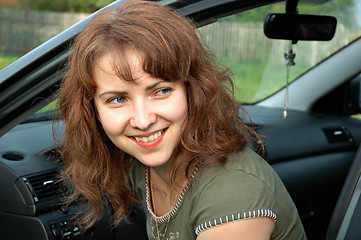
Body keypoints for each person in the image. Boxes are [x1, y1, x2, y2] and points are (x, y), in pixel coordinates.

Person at [57, 1, 307, 239]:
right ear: (92, 109)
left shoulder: (233, 195)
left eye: (161, 91)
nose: (143, 121)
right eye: (117, 99)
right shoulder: (140, 165)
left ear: (194, 91)